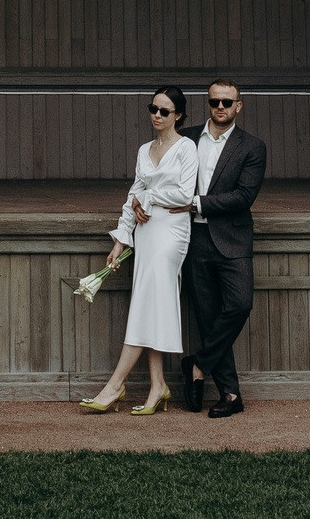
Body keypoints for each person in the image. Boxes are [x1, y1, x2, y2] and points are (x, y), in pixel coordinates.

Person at [78, 86, 197, 415]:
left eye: (164, 111)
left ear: (179, 116)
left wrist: (147, 199)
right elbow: (134, 193)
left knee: (148, 302)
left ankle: (115, 385)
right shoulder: (145, 150)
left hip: (172, 232)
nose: (157, 116)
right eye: (153, 108)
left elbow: (185, 195)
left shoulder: (187, 148)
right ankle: (158, 385)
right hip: (145, 232)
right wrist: (121, 239)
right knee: (150, 304)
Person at [181, 77, 266, 416]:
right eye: (214, 102)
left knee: (239, 305)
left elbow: (244, 196)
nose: (220, 108)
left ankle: (197, 366)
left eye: (226, 103)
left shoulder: (252, 146)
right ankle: (231, 394)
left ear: (238, 106)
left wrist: (196, 204)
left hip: (232, 238)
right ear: (208, 103)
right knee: (208, 316)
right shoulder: (185, 139)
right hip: (192, 240)